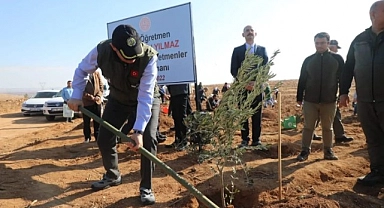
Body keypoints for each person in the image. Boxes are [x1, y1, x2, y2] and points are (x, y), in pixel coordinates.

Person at [67, 24, 160, 205]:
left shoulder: (149, 58)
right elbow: (81, 70)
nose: (132, 60)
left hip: (146, 98)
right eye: (127, 57)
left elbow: (146, 96)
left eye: (135, 56)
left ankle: (146, 187)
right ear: (114, 48)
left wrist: (138, 130)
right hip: (118, 98)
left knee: (149, 139)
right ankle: (112, 175)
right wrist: (76, 96)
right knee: (104, 137)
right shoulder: (101, 50)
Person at [339, 0, 384, 186]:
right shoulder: (359, 40)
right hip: (365, 101)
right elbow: (348, 67)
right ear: (373, 14)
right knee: (373, 139)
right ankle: (378, 173)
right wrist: (343, 92)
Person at [296, 32, 344, 162]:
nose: (319, 45)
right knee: (308, 127)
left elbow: (343, 79)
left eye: (322, 43)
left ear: (328, 43)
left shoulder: (337, 59)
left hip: (329, 100)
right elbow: (303, 79)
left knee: (327, 127)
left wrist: (343, 94)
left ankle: (328, 151)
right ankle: (305, 151)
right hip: (310, 100)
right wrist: (299, 97)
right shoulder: (308, 60)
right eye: (317, 43)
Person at [230, 25, 268, 147]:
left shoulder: (262, 50)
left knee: (257, 114)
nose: (249, 32)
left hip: (257, 88)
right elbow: (233, 69)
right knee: (243, 115)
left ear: (255, 34)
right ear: (243, 35)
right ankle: (244, 140)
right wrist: (245, 83)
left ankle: (256, 140)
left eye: (251, 30)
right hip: (243, 89)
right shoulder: (237, 51)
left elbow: (265, 68)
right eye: (247, 31)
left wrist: (256, 82)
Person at [312, 40, 353, 143]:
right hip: (317, 94)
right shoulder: (319, 59)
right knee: (316, 115)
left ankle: (339, 135)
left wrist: (342, 92)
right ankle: (310, 133)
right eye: (333, 47)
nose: (335, 49)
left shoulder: (337, 59)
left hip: (332, 93)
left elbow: (342, 77)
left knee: (335, 113)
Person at [165, 84, 190, 150]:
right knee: (175, 116)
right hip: (173, 93)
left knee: (181, 116)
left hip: (182, 92)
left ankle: (184, 141)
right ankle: (178, 140)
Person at [82, 71, 104, 143]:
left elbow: (101, 86)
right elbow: (80, 89)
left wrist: (98, 96)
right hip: (86, 103)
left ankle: (97, 137)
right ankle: (87, 137)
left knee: (97, 121)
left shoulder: (96, 73)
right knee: (86, 122)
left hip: (97, 102)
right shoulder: (81, 74)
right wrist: (90, 97)